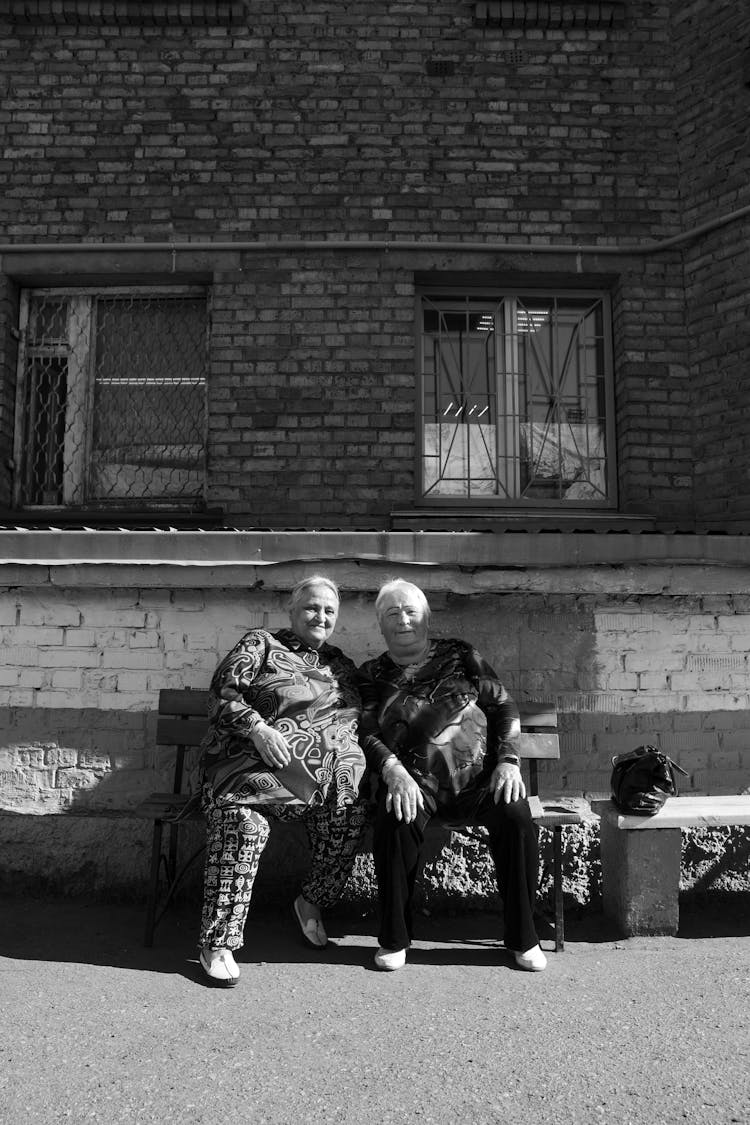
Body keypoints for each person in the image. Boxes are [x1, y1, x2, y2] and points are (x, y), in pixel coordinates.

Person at [358, 579, 546, 973]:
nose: (403, 619)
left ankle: (524, 938)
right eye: (392, 613)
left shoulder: (460, 654)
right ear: (380, 625)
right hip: (415, 783)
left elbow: (503, 705)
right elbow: (368, 731)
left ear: (426, 618)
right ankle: (394, 938)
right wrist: (393, 770)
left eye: (410, 611)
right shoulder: (372, 672)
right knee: (394, 817)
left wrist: (508, 761)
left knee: (515, 815)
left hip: (479, 780)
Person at [197, 575, 369, 986]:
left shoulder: (341, 666)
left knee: (351, 814)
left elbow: (352, 720)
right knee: (245, 826)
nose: (320, 616)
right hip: (245, 774)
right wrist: (258, 728)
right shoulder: (261, 644)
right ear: (292, 611)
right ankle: (217, 942)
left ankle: (310, 903)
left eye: (329, 610)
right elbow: (221, 695)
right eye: (312, 607)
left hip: (312, 782)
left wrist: (339, 755)